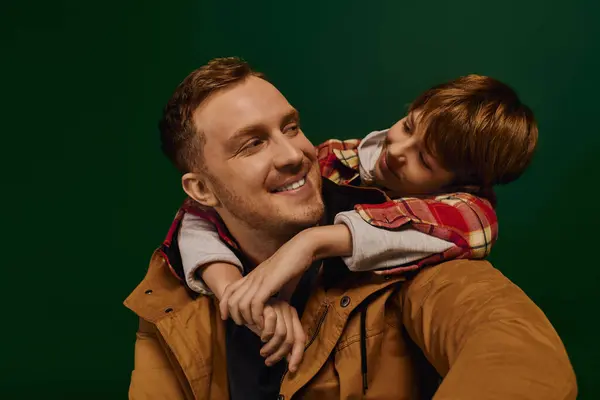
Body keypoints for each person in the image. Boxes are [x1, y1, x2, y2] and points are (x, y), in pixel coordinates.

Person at [124, 57, 577, 399]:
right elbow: (194, 220)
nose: (293, 154)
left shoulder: (421, 255)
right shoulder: (173, 291)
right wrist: (236, 292)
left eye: (291, 127)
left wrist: (313, 242)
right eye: (253, 143)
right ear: (201, 188)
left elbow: (517, 354)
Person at [178, 75, 536, 366]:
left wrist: (311, 243)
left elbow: (475, 225)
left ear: (461, 183)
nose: (395, 152)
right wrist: (232, 289)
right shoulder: (340, 158)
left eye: (424, 161)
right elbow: (202, 209)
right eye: (408, 127)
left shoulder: (466, 213)